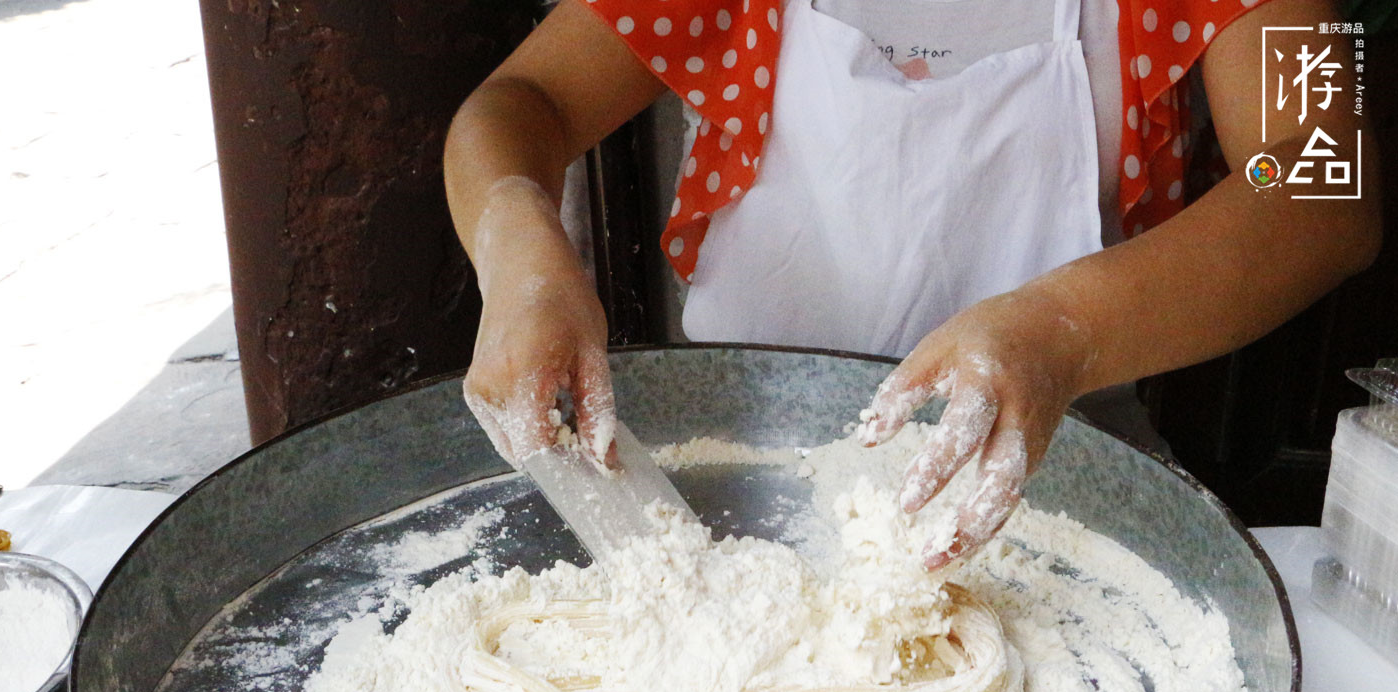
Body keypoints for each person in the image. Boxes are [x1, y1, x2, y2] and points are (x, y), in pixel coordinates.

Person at [443, 0, 1379, 569]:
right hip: (740, 480)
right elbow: (526, 104)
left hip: (1053, 499)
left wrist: (1063, 327)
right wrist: (520, 242)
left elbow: (1316, 172)